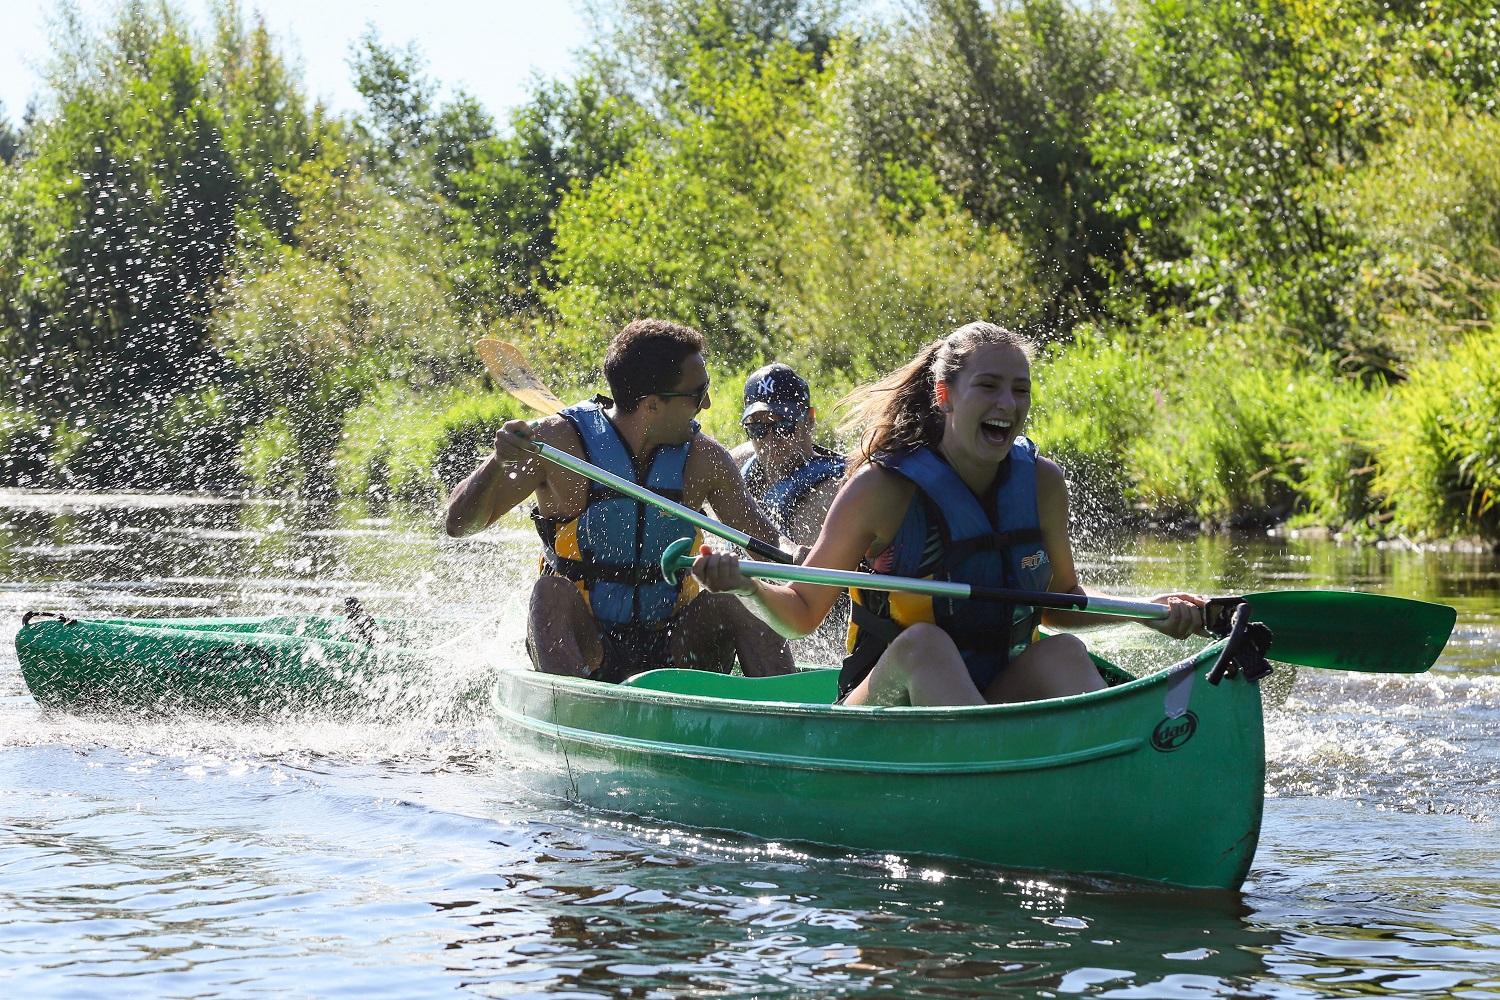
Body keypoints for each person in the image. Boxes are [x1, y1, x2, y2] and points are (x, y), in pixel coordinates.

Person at [689, 321, 1205, 707]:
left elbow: (1058, 607)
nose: (1008, 402)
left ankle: (1105, 769)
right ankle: (999, 779)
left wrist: (1150, 612)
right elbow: (802, 613)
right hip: (884, 709)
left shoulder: (1042, 484)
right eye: (988, 386)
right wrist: (744, 586)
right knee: (925, 646)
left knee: (1064, 651)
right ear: (945, 396)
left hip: (989, 696)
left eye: (1020, 389)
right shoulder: (882, 489)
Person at [445, 318, 795, 683]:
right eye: (697, 392)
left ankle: (788, 716)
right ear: (652, 404)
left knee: (738, 594)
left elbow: (769, 546)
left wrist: (808, 556)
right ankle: (573, 713)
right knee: (548, 594)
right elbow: (458, 525)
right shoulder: (557, 445)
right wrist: (496, 463)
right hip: (587, 645)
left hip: (676, 646)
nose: (706, 404)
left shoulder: (704, 460)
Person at [729, 363, 846, 549]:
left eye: (783, 426)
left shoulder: (829, 493)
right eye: (757, 428)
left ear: (809, 420)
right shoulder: (739, 460)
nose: (769, 439)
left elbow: (811, 577)